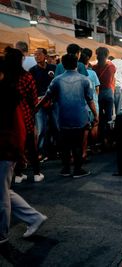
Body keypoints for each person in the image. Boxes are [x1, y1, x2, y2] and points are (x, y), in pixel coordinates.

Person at [0, 54, 48, 247]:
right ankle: (33, 217)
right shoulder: (22, 81)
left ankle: (2, 234)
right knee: (3, 190)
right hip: (11, 143)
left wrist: (19, 151)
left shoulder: (8, 91)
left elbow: (15, 123)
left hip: (5, 147)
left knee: (2, 193)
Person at [37, 54, 98, 178]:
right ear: (77, 64)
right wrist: (95, 114)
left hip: (63, 116)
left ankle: (65, 169)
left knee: (65, 144)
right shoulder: (84, 80)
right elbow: (90, 99)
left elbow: (47, 97)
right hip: (80, 117)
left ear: (63, 65)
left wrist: (36, 108)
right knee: (78, 144)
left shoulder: (57, 80)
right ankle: (77, 169)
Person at [30, 47, 57, 162]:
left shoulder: (53, 68)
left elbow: (57, 84)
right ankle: (41, 151)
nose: (36, 57)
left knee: (55, 126)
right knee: (41, 129)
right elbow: (31, 88)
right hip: (39, 103)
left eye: (39, 54)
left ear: (45, 56)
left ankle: (54, 151)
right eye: (35, 55)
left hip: (53, 101)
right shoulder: (32, 71)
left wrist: (53, 98)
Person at [92, 47, 116, 149]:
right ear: (106, 55)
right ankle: (109, 140)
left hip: (98, 93)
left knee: (100, 118)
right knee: (109, 117)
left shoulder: (94, 68)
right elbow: (112, 78)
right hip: (109, 92)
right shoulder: (111, 67)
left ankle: (102, 140)